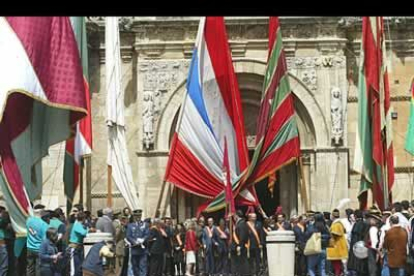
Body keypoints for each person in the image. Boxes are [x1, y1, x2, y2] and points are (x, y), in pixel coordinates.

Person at [27, 204, 49, 276]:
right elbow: (45, 239)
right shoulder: (44, 224)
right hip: (39, 249)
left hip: (29, 248)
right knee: (38, 269)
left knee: (30, 268)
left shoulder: (28, 221)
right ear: (41, 213)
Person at [126, 209, 149, 276]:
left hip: (143, 250)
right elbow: (128, 236)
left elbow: (147, 234)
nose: (138, 217)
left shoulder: (145, 225)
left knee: (143, 266)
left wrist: (143, 240)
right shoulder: (130, 225)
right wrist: (134, 241)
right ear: (134, 216)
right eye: (136, 216)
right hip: (134, 249)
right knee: (135, 267)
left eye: (139, 215)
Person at [347, 209, 369, 276]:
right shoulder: (365, 224)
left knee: (357, 267)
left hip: (357, 248)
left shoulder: (356, 225)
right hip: (364, 248)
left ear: (355, 216)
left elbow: (354, 239)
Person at [327, 209, 348, 276]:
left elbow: (335, 234)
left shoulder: (337, 224)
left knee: (337, 265)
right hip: (337, 246)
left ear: (333, 216)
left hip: (337, 246)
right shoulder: (338, 223)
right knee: (337, 264)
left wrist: (328, 233)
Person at [69, 211, 89, 276]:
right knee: (74, 268)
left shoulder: (80, 225)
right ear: (83, 218)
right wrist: (89, 229)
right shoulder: (77, 225)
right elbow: (83, 233)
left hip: (79, 247)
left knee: (79, 266)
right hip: (74, 247)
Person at [231, 210, 249, 276]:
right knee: (239, 261)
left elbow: (242, 236)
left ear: (236, 215)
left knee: (242, 261)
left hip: (240, 246)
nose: (233, 217)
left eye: (234, 216)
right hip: (237, 245)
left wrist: (239, 245)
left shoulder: (242, 223)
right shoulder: (239, 223)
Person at [365, 208, 382, 276]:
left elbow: (374, 242)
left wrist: (377, 252)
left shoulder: (373, 228)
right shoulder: (375, 228)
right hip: (373, 250)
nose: (368, 220)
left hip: (372, 250)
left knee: (372, 268)